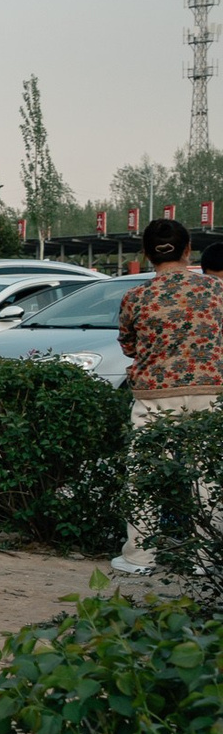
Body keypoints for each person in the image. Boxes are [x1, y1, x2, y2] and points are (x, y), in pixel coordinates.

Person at [112, 216, 223, 574]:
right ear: (189, 250)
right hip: (212, 392)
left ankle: (140, 558)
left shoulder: (136, 297)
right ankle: (208, 560)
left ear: (146, 254)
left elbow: (129, 346)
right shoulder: (217, 292)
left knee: (144, 474)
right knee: (207, 477)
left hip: (154, 395)